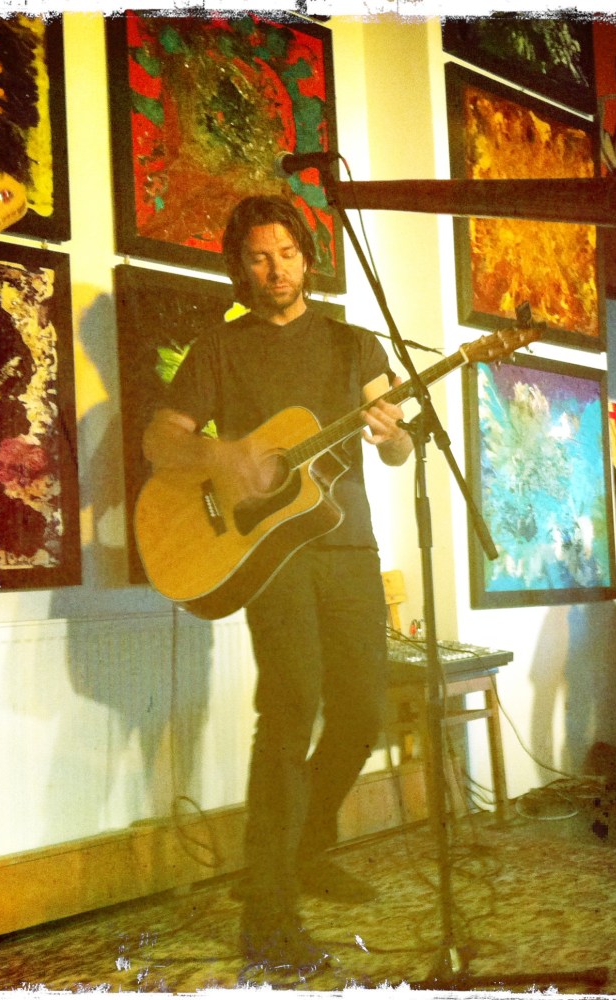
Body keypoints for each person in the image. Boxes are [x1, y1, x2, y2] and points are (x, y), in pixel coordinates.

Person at [142, 195, 413, 974]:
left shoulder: (352, 345)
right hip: (272, 554)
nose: (275, 270)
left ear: (307, 258)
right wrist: (224, 457)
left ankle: (305, 847)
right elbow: (161, 439)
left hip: (348, 543)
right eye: (259, 258)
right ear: (241, 266)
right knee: (291, 710)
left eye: (287, 254)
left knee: (362, 713)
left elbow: (395, 449)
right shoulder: (220, 349)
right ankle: (267, 911)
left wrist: (393, 437)